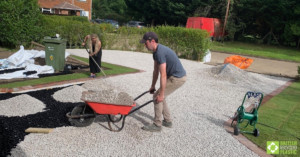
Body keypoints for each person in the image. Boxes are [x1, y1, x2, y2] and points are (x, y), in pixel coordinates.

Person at [140, 32, 187, 132]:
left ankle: (157, 125)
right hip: (174, 76)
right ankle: (168, 121)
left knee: (158, 97)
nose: (144, 45)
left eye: (146, 43)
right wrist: (152, 86)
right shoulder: (156, 53)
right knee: (161, 95)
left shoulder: (160, 53)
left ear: (152, 41)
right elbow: (156, 71)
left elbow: (163, 75)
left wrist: (160, 94)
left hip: (177, 78)